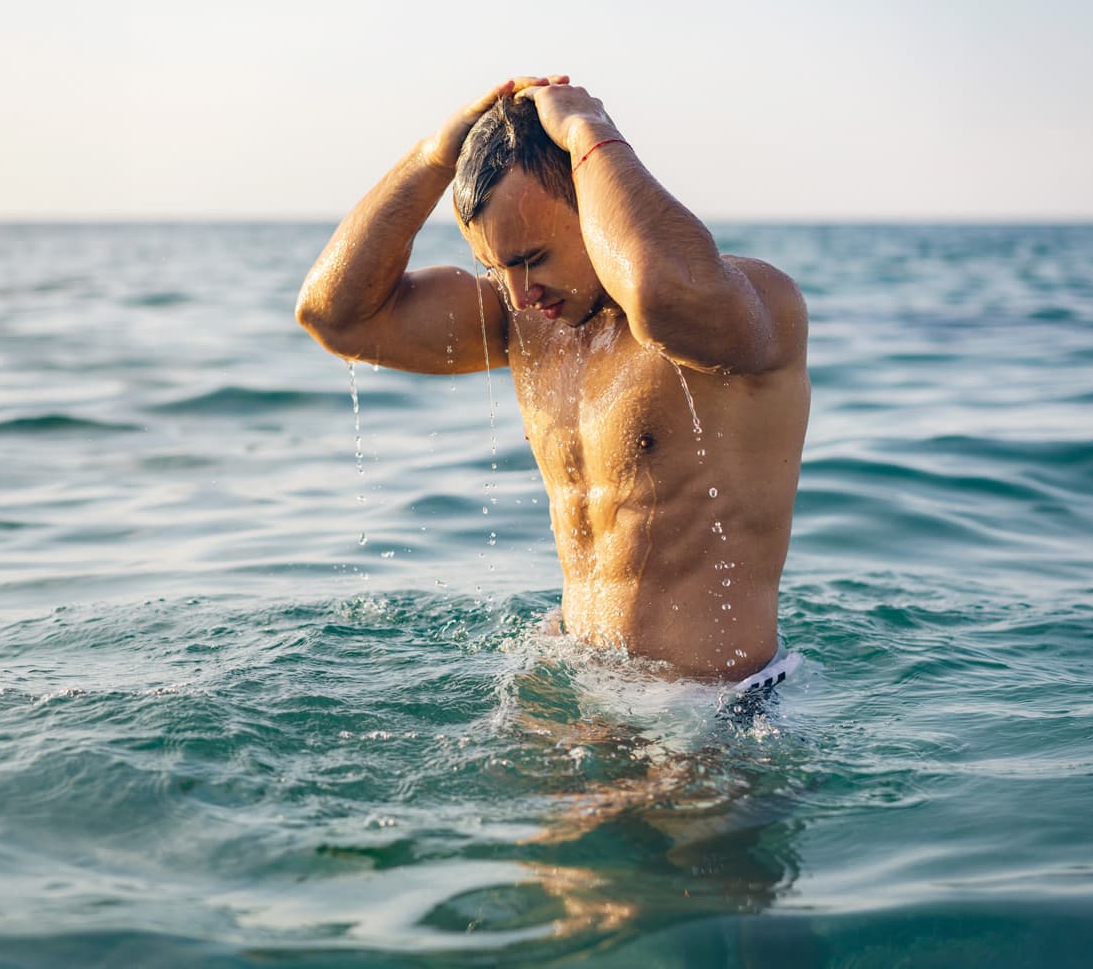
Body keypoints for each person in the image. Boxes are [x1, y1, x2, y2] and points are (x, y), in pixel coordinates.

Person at [296, 76, 810, 684]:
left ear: (591, 201)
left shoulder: (745, 308)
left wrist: (589, 131)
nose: (519, 293)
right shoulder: (523, 324)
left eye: (531, 258)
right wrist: (433, 157)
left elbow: (659, 295)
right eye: (496, 268)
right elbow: (335, 317)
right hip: (576, 679)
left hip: (716, 705)